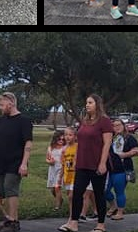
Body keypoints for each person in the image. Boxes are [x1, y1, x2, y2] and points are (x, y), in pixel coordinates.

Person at [58, 95, 112, 232]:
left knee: (99, 194)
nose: (87, 105)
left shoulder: (104, 121)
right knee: (77, 193)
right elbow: (79, 142)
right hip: (82, 163)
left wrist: (102, 163)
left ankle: (101, 225)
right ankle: (73, 223)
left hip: (96, 163)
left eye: (90, 102)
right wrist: (76, 159)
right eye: (86, 102)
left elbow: (107, 144)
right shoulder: (84, 121)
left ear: (97, 104)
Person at [0, 92, 33, 232]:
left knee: (10, 188)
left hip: (15, 161)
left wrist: (24, 163)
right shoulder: (1, 121)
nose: (0, 107)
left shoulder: (24, 121)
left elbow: (28, 143)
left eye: (2, 104)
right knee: (2, 191)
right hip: (0, 162)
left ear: (11, 103)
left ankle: (12, 221)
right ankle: (11, 221)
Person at [105, 118, 138, 221]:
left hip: (123, 169)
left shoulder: (129, 138)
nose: (117, 127)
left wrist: (124, 155)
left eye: (119, 125)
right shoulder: (111, 138)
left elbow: (136, 151)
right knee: (104, 190)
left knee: (119, 190)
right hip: (110, 168)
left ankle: (120, 212)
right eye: (114, 126)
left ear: (123, 126)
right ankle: (113, 205)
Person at [46, 131, 65, 210]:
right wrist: (49, 161)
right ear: (55, 139)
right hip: (52, 169)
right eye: (59, 139)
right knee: (52, 189)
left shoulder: (64, 148)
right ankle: (60, 199)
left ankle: (57, 206)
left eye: (62, 139)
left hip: (60, 169)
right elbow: (47, 158)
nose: (61, 141)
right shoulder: (50, 148)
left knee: (57, 187)